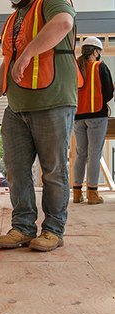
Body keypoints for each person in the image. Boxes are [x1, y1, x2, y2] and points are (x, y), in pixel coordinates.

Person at [0, 0, 82, 251]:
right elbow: (10, 59)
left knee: (53, 170)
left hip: (52, 100)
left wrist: (29, 52)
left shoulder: (51, 1)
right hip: (17, 106)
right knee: (16, 170)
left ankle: (53, 229)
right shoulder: (16, 16)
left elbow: (64, 22)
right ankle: (23, 227)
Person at [72, 36, 114, 205]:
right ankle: (92, 193)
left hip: (78, 117)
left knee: (80, 154)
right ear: (96, 51)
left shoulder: (75, 67)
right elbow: (109, 92)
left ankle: (76, 193)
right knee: (94, 154)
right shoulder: (100, 66)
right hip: (97, 115)